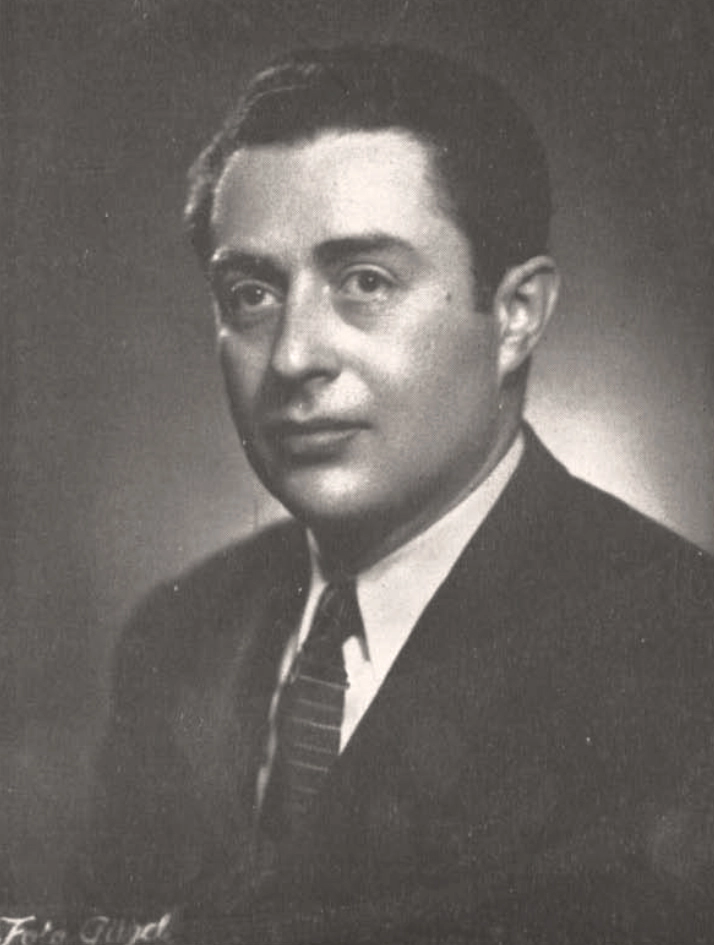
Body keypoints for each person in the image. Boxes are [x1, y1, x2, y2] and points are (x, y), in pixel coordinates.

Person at [71, 44, 714, 943]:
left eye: (365, 282)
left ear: (517, 314)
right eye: (251, 293)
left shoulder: (682, 649)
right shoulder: (176, 638)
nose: (294, 355)